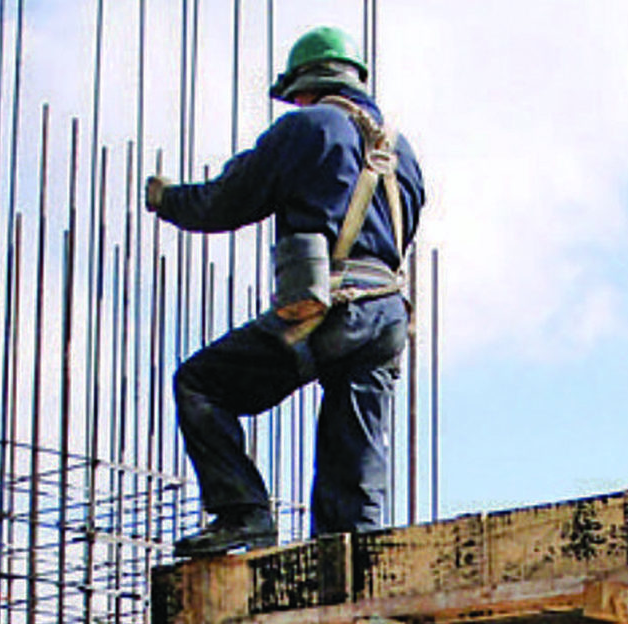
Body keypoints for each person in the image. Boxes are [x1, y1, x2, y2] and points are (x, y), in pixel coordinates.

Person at [145, 26, 425, 557]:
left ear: (306, 85)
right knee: (354, 462)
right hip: (388, 316)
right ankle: (351, 561)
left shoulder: (307, 127)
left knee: (201, 385)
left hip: (330, 307)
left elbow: (227, 199)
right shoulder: (403, 152)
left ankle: (243, 513)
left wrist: (168, 200)